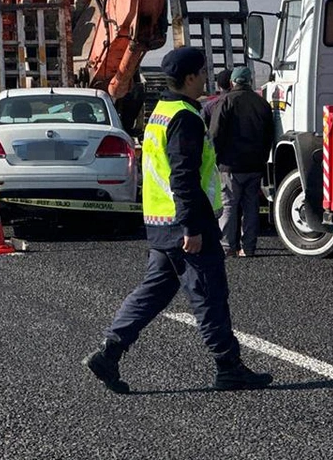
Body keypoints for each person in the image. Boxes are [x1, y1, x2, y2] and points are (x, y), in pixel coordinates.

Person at [84, 46, 271, 394]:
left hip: (160, 224)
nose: (206, 77)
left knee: (151, 294)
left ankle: (109, 353)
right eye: (202, 72)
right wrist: (192, 227)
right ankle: (229, 367)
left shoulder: (162, 111)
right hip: (186, 226)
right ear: (188, 78)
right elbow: (183, 177)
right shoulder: (185, 117)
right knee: (210, 295)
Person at [209, 65, 274, 257]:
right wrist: (263, 158)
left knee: (228, 205)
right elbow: (269, 135)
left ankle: (227, 247)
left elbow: (215, 134)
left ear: (232, 82)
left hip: (230, 165)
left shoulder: (226, 101)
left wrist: (215, 159)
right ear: (250, 82)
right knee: (251, 207)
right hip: (255, 165)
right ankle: (249, 247)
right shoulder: (262, 104)